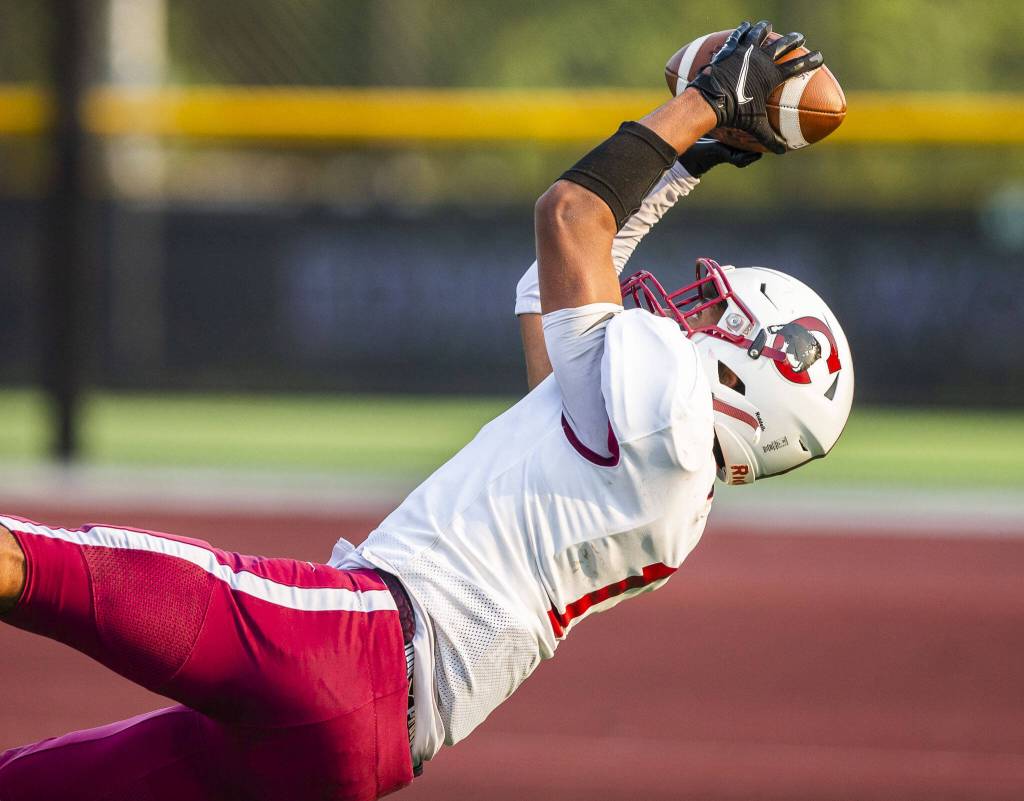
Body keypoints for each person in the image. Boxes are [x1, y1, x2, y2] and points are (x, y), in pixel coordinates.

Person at [0, 20, 852, 801]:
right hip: (369, 745)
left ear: (755, 371)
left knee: (42, 567)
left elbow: (570, 215)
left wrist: (703, 106)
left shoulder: (663, 420)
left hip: (352, 650)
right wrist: (686, 161)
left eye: (714, 310)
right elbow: (552, 278)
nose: (687, 308)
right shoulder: (650, 463)